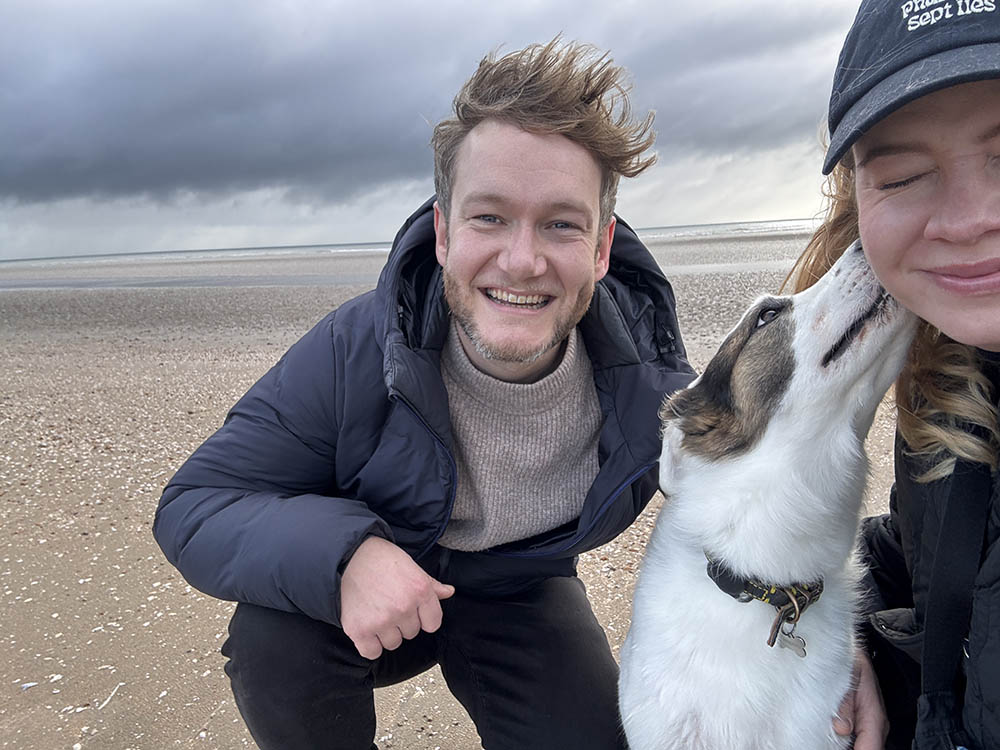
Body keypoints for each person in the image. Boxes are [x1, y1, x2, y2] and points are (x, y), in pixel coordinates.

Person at [153, 39, 696, 749]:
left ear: (601, 248)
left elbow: (758, 524)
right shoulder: (358, 348)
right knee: (273, 640)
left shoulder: (650, 392)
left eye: (562, 223)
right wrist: (347, 556)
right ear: (442, 231)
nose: (522, 260)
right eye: (489, 217)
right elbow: (194, 505)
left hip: (518, 588)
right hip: (376, 586)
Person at [788, 2, 1000, 748]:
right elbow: (922, 552)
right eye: (906, 174)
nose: (969, 217)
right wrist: (835, 627)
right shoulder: (955, 378)